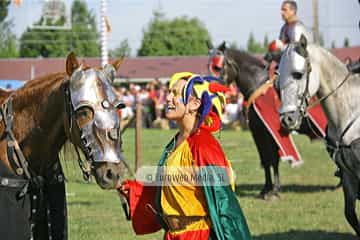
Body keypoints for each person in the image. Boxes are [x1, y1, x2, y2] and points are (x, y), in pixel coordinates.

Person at [117, 72, 251, 240]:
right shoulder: (176, 142)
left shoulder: (204, 145)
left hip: (197, 235)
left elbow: (223, 202)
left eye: (175, 94)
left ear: (194, 104)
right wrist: (134, 190)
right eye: (168, 93)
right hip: (173, 236)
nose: (167, 98)